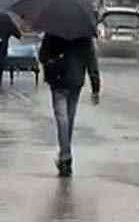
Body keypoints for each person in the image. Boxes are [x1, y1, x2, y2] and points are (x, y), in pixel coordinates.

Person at [39, 34, 101, 177]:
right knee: (69, 117)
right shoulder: (84, 34)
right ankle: (65, 155)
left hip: (58, 79)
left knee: (62, 117)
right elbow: (92, 61)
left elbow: (42, 56)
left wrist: (50, 61)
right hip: (75, 80)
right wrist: (95, 87)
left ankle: (65, 156)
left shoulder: (52, 31)